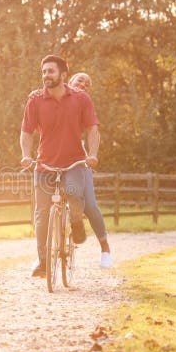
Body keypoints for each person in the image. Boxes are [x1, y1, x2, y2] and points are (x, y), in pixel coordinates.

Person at [19, 56, 108, 278]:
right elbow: (26, 132)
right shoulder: (35, 100)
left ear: (63, 74)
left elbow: (92, 129)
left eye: (51, 71)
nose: (46, 75)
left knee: (74, 193)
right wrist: (25, 155)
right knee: (41, 214)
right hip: (44, 165)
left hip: (75, 163)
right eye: (44, 71)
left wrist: (93, 154)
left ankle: (76, 222)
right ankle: (43, 262)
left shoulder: (80, 99)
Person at [69, 72, 112, 268]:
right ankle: (45, 254)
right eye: (80, 80)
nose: (84, 84)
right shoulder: (56, 100)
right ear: (69, 81)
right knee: (45, 205)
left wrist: (92, 154)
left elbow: (92, 130)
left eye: (87, 83)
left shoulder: (84, 103)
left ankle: (105, 248)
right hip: (55, 159)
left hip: (79, 161)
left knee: (90, 205)